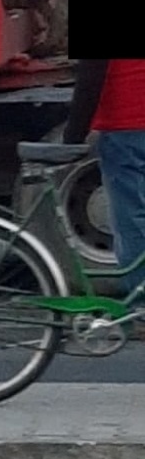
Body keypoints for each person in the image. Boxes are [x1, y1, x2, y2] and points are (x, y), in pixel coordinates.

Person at [64, 57, 145, 296]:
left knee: (131, 222)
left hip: (127, 125)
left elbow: (91, 72)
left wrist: (74, 136)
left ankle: (140, 310)